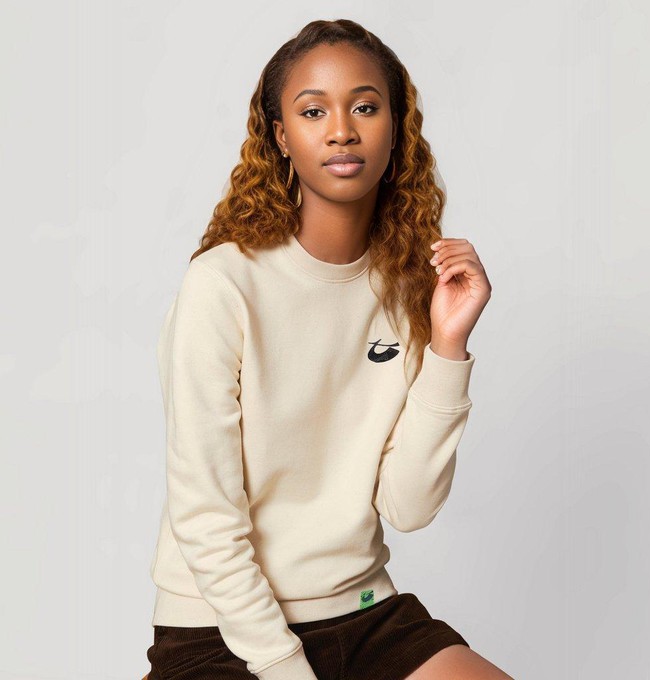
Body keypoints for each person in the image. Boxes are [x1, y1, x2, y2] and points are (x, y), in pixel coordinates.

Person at [144, 17, 512, 680]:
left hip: (363, 612)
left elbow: (409, 506)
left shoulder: (408, 288)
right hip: (219, 627)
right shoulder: (222, 285)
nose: (341, 130)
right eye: (313, 111)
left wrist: (447, 348)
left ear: (396, 129)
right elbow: (206, 517)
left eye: (365, 107)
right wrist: (286, 667)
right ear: (281, 136)